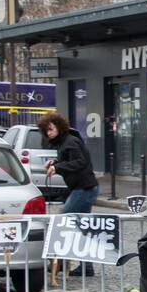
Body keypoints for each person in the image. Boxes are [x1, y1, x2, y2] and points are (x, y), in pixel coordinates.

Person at [38, 112, 100, 277]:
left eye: (50, 129)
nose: (49, 133)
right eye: (46, 131)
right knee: (82, 227)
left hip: (83, 188)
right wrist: (55, 163)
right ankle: (85, 266)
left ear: (59, 126)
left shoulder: (70, 141)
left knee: (62, 221)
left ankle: (58, 263)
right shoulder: (65, 142)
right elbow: (72, 161)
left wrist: (58, 167)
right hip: (84, 187)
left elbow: (80, 162)